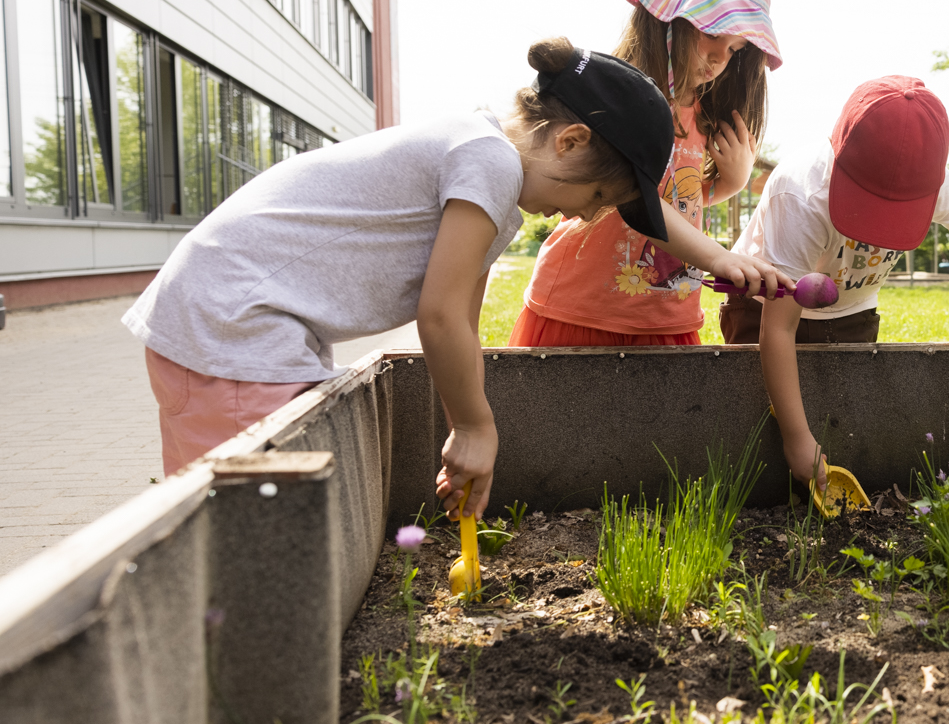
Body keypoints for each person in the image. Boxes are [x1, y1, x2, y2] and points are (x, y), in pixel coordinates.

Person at [123, 39, 676, 517]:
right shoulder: (490, 161)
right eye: (598, 196)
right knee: (255, 521)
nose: (584, 216)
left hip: (234, 320)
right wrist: (475, 429)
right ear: (570, 141)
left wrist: (466, 427)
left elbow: (461, 321)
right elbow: (436, 316)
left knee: (261, 509)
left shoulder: (491, 180)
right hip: (233, 324)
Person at [729, 75, 949, 490]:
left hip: (853, 312)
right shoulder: (802, 193)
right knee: (757, 424)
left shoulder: (934, 183)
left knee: (844, 417)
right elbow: (779, 328)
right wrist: (797, 439)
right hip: (764, 308)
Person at [511, 0, 781, 347]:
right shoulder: (616, 100)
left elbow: (674, 197)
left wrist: (730, 182)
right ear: (667, 16)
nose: (720, 58)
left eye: (736, 48)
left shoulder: (705, 117)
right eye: (712, 34)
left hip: (667, 313)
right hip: (581, 308)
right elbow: (635, 197)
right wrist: (719, 257)